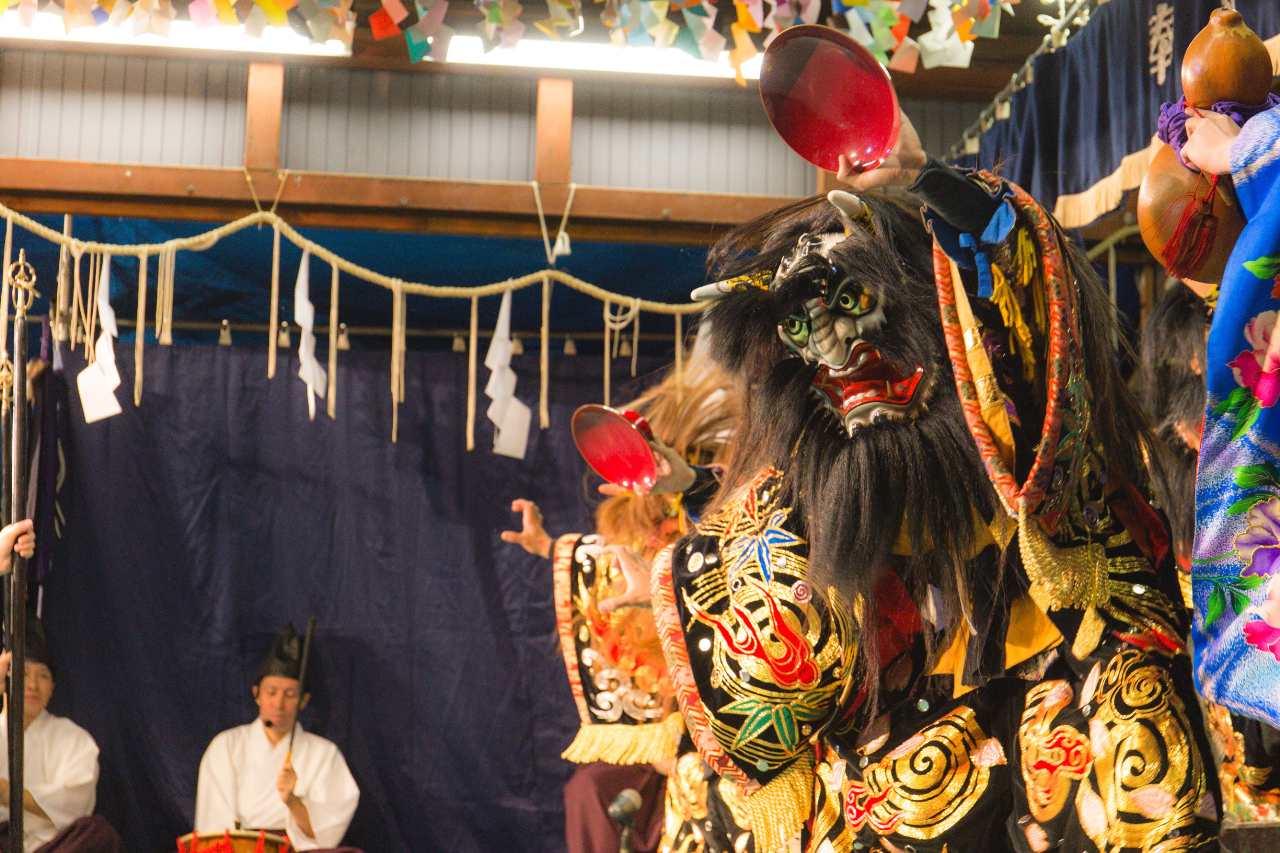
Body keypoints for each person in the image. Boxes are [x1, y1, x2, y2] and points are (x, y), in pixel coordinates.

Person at [504, 355, 752, 853]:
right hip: (662, 713)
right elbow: (608, 567)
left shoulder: (723, 514)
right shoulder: (636, 530)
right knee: (590, 792)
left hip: (727, 708)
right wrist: (549, 547)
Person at [194, 624, 360, 852]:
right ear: (256, 694)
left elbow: (325, 834)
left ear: (303, 701)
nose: (279, 704)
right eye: (271, 692)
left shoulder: (324, 753)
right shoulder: (227, 746)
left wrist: (292, 800)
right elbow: (214, 821)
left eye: (290, 695)